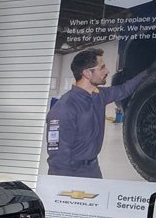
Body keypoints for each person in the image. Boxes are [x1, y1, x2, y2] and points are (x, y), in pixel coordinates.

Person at [46, 47, 153, 178]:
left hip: (93, 170)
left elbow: (125, 89)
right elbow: (58, 159)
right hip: (71, 173)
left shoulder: (99, 96)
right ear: (87, 73)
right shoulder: (64, 109)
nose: (107, 71)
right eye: (102, 68)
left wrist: (150, 71)